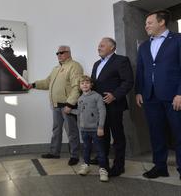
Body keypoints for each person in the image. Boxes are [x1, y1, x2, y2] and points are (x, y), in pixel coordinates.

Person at [135, 10, 181, 179]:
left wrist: (180, 93)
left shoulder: (177, 40)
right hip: (150, 96)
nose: (146, 26)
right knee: (156, 133)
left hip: (173, 97)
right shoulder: (144, 46)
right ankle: (160, 166)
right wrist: (138, 91)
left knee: (179, 133)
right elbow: (140, 70)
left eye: (149, 22)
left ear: (161, 22)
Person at [30, 45, 83, 166]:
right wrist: (33, 85)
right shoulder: (56, 68)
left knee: (72, 132)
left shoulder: (74, 66)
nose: (59, 55)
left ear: (69, 53)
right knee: (56, 129)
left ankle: (74, 156)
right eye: (57, 53)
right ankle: (54, 152)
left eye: (62, 52)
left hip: (67, 106)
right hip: (55, 105)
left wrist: (70, 104)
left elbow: (76, 87)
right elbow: (47, 82)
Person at [91, 37, 134, 176]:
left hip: (114, 105)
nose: (99, 47)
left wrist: (114, 95)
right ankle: (103, 161)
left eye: (102, 45)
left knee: (117, 137)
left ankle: (119, 165)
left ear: (112, 47)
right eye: (99, 45)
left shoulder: (121, 60)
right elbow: (94, 84)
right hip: (99, 107)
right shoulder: (96, 64)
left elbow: (128, 82)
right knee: (102, 135)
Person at [76, 75, 108, 182]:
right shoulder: (80, 99)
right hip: (84, 129)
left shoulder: (97, 96)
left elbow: (102, 111)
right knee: (86, 148)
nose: (85, 84)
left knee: (100, 150)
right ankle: (86, 165)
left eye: (87, 82)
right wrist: (69, 111)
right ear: (79, 86)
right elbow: (79, 112)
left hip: (95, 129)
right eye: (82, 83)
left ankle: (103, 169)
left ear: (91, 84)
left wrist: (100, 127)